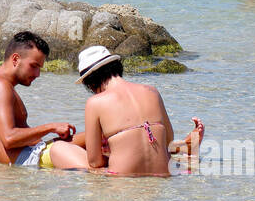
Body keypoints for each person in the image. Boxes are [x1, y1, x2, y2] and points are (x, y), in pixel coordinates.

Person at [0, 32, 85, 169]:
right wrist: (51, 127)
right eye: (34, 66)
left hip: (32, 152)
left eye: (39, 68)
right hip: (28, 159)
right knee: (98, 158)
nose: (37, 74)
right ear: (16, 59)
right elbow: (9, 139)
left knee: (95, 138)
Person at [75, 46, 204, 176]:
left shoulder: (95, 102)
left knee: (57, 149)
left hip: (122, 176)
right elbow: (168, 142)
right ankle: (186, 148)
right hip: (163, 173)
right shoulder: (152, 91)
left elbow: (95, 162)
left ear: (91, 83)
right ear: (117, 67)